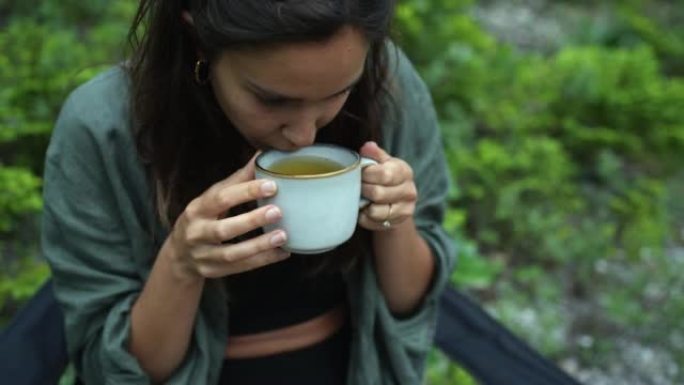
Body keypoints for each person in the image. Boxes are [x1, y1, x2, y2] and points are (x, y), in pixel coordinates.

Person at [41, 0, 455, 384]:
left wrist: (393, 219)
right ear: (199, 38)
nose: (303, 134)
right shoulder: (102, 130)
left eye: (337, 94)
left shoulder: (389, 88)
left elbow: (409, 304)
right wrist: (182, 264)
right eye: (272, 101)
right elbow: (116, 370)